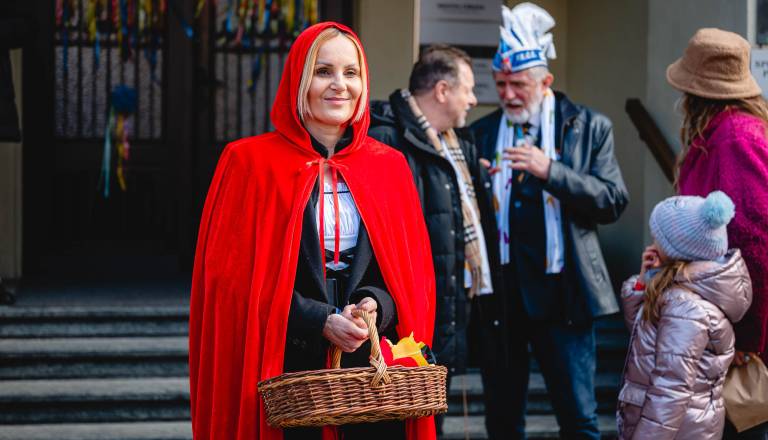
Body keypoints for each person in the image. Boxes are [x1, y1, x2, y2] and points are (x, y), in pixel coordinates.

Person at [188, 22, 437, 440]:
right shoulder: (247, 163)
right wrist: (318, 319)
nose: (340, 85)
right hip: (282, 359)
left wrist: (374, 305)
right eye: (323, 71)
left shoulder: (389, 166)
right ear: (298, 81)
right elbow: (227, 282)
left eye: (351, 73)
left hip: (369, 369)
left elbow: (410, 276)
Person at [470, 3, 629, 439]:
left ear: (546, 83)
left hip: (564, 293)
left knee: (577, 418)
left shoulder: (588, 126)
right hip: (501, 295)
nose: (507, 94)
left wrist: (550, 171)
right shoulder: (481, 133)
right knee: (502, 420)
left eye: (518, 84)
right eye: (501, 84)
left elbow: (613, 200)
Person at [368, 45, 502, 434]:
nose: (475, 99)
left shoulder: (457, 144)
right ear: (443, 91)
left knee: (431, 418)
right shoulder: (387, 138)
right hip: (400, 313)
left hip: (444, 307)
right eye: (469, 88)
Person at [667, 27, 768, 440]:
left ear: (695, 92)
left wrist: (749, 342)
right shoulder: (724, 134)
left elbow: (757, 246)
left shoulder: (735, 138)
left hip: (735, 346)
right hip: (716, 336)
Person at [617, 191, 752, 439]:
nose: (653, 242)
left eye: (658, 237)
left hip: (677, 430)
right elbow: (644, 340)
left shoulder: (685, 307)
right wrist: (643, 283)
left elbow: (670, 391)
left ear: (678, 249)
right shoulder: (679, 293)